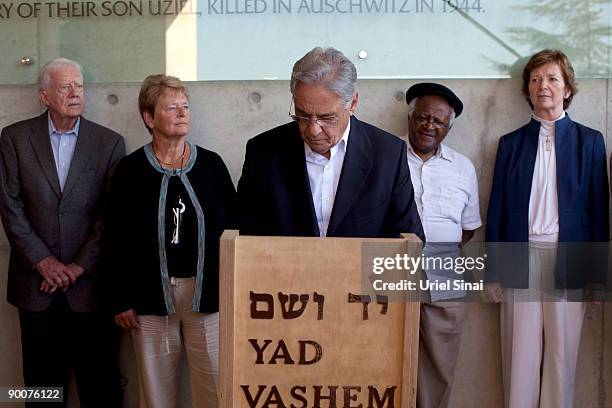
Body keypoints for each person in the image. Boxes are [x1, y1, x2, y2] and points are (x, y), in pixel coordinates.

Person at [485, 49, 609, 408]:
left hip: (568, 261)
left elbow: (598, 214)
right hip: (520, 261)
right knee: (519, 358)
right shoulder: (510, 144)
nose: (544, 86)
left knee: (562, 358)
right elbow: (497, 211)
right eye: (536, 79)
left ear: (567, 88)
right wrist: (494, 272)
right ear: (527, 89)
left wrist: (595, 276)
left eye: (552, 79)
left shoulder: (590, 142)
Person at [104, 74, 236, 408]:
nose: (182, 113)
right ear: (149, 118)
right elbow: (115, 237)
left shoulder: (211, 165)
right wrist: (121, 299)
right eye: (171, 107)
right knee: (156, 395)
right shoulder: (130, 170)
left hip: (206, 296)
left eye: (185, 106)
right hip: (150, 298)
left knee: (215, 390)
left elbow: (234, 228)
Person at [0, 58, 125, 407]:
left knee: (99, 389)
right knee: (40, 392)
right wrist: (44, 262)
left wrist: (77, 266)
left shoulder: (109, 143)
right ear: (44, 96)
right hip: (35, 289)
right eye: (65, 87)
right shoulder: (14, 138)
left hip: (90, 289)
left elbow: (110, 215)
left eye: (80, 86)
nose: (75, 93)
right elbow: (10, 206)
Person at [238, 46, 424, 240]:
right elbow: (244, 236)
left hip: (363, 269)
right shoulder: (263, 152)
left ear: (352, 104)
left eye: (327, 117)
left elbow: (409, 238)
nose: (313, 129)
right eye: (302, 115)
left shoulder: (388, 153)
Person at [404, 83, 481, 408]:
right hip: (390, 267)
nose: (429, 126)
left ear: (449, 127)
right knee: (382, 352)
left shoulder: (463, 167)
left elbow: (467, 229)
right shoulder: (386, 156)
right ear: (410, 118)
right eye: (423, 117)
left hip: (445, 270)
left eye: (438, 121)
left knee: (439, 364)